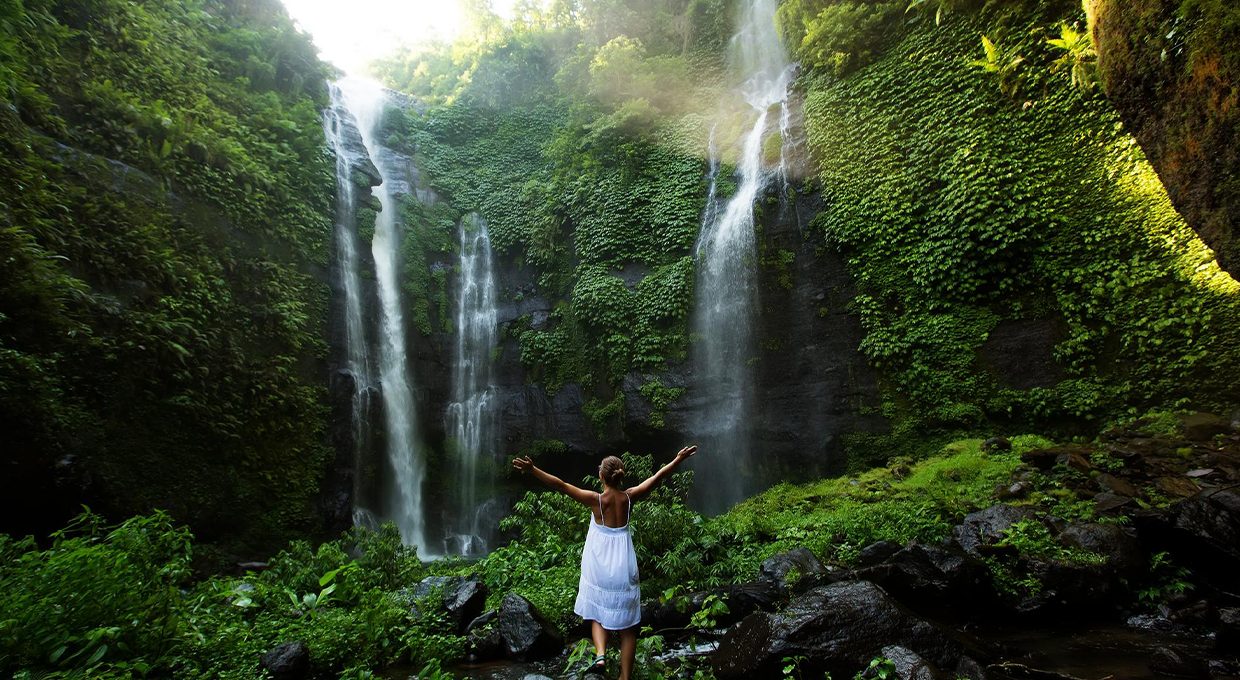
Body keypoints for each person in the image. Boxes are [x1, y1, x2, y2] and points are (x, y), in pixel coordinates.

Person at [511, 445, 699, 680]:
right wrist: (677, 459)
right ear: (620, 475)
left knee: (597, 612)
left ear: (601, 476)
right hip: (624, 564)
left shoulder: (596, 500)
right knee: (628, 627)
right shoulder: (630, 497)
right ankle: (625, 676)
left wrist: (533, 470)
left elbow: (560, 485)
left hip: (599, 564)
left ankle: (600, 655)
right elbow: (658, 476)